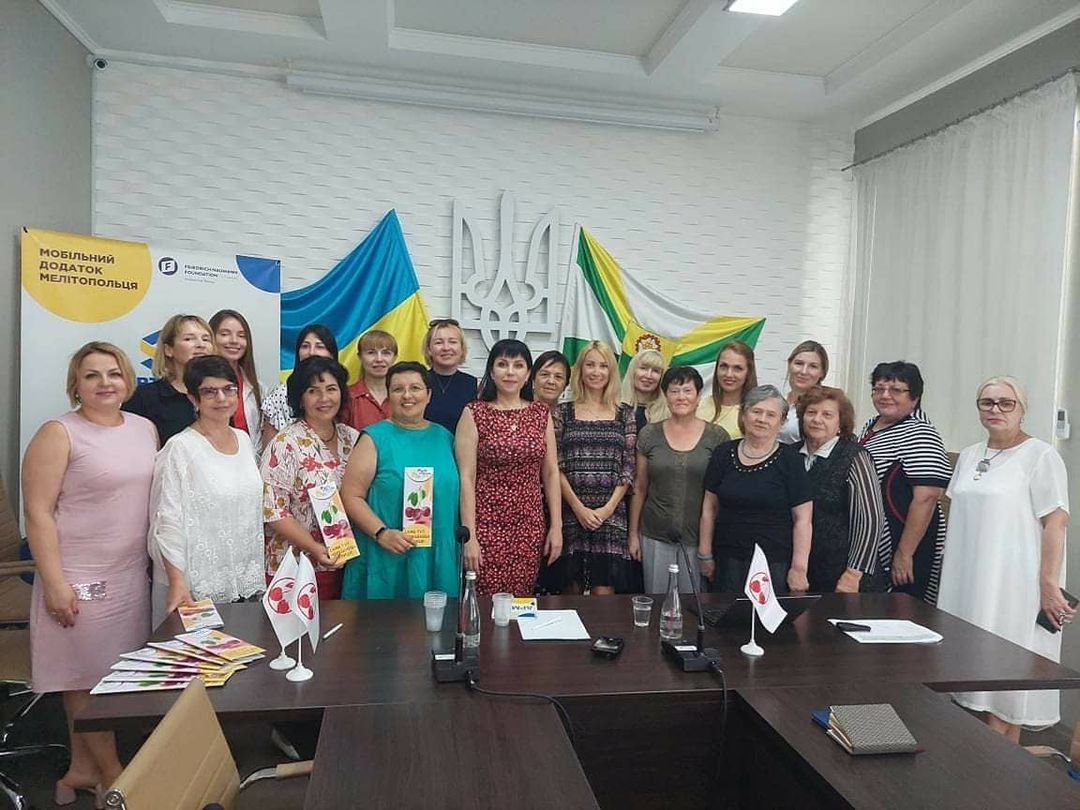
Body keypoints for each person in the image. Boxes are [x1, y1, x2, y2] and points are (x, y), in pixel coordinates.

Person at [22, 342, 158, 801]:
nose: (105, 383)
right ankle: (117, 779)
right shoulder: (58, 433)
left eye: (113, 373)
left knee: (110, 678)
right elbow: (38, 513)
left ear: (128, 380)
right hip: (76, 578)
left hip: (129, 578)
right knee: (83, 679)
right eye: (92, 375)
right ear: (75, 385)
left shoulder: (143, 428)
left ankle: (81, 770)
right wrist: (54, 583)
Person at [938, 377, 1071, 741]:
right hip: (968, 584)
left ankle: (999, 769)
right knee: (968, 684)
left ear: (1022, 409)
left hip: (1013, 587)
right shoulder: (969, 455)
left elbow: (1056, 523)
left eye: (1005, 403)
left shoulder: (1041, 456)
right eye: (987, 402)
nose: (995, 409)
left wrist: (1049, 585)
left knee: (1003, 691)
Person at [148, 355, 264, 626]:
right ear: (193, 398)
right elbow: (167, 521)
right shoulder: (180, 448)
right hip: (196, 586)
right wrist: (177, 581)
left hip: (244, 581)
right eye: (210, 392)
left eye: (228, 389)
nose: (221, 398)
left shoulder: (244, 440)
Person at [341, 362, 460, 599]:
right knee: (385, 621)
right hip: (387, 553)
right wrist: (381, 533)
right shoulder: (374, 438)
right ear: (389, 396)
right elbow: (351, 495)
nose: (407, 395)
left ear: (428, 395)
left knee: (437, 620)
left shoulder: (446, 437)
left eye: (415, 388)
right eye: (398, 389)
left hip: (437, 556)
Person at [456, 339, 562, 596]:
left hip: (529, 524)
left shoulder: (540, 413)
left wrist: (556, 527)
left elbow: (550, 473)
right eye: (502, 364)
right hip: (485, 523)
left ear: (528, 375)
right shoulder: (474, 413)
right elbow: (466, 477)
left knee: (520, 601)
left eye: (518, 365)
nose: (510, 372)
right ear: (492, 372)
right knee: (483, 600)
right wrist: (470, 537)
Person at [261, 356, 359, 600]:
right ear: (300, 398)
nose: (324, 398)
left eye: (331, 389)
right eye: (313, 391)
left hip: (347, 564)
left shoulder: (354, 438)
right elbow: (273, 510)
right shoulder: (285, 444)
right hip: (295, 567)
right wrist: (314, 547)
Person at [699, 385, 812, 594]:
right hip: (726, 559)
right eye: (756, 411)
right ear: (744, 415)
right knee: (725, 613)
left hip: (773, 563)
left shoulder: (792, 460)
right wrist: (705, 553)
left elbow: (803, 519)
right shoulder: (723, 453)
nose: (762, 419)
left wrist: (799, 568)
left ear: (782, 422)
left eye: (771, 415)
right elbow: (709, 507)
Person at [857, 361, 951, 604]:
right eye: (879, 389)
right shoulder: (872, 425)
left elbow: (927, 497)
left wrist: (904, 553)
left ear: (915, 397)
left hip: (906, 542)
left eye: (896, 390)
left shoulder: (920, 433)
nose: (885, 395)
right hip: (873, 542)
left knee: (902, 611)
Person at [629, 366, 728, 593]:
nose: (680, 397)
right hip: (654, 534)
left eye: (687, 391)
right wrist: (633, 534)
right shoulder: (649, 434)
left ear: (699, 395)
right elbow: (640, 487)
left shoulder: (717, 436)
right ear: (665, 396)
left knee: (694, 605)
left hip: (698, 539)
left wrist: (709, 547)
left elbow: (718, 495)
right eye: (674, 391)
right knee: (657, 602)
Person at [555, 341, 637, 595]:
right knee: (571, 593)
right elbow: (555, 466)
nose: (596, 371)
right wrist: (578, 508)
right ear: (580, 369)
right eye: (590, 365)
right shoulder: (562, 412)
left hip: (611, 516)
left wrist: (607, 510)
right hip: (572, 514)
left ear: (611, 372)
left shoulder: (625, 414)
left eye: (603, 366)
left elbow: (628, 466)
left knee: (604, 598)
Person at [794, 386, 883, 593]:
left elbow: (870, 519)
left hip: (844, 576)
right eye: (811, 412)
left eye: (827, 415)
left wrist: (854, 573)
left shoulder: (855, 456)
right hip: (800, 573)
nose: (817, 419)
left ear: (840, 424)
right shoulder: (791, 455)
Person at [123, 313, 214, 445]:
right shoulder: (144, 397)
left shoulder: (223, 394)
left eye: (206, 339)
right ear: (168, 350)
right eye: (189, 339)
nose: (201, 345)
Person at [528, 349, 572, 594]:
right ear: (532, 377)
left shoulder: (571, 417)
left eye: (558, 376)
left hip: (564, 508)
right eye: (545, 374)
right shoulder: (520, 411)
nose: (551, 381)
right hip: (524, 507)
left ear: (566, 384)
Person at [261, 324, 339, 445]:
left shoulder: (340, 392)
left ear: (332, 354)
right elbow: (269, 449)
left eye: (319, 346)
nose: (311, 352)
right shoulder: (280, 395)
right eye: (305, 346)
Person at [209, 309, 264, 449]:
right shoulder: (200, 384)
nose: (234, 341)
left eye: (241, 336)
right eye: (225, 334)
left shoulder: (257, 387)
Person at [423, 318, 476, 433]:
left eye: (452, 342)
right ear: (429, 350)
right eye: (439, 342)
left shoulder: (472, 384)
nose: (446, 348)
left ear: (462, 348)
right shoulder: (419, 382)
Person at [698, 340, 757, 440]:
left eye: (737, 368)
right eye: (724, 366)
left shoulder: (756, 414)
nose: (729, 374)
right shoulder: (699, 406)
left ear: (748, 372)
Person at [344, 329, 396, 431]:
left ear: (394, 357)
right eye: (371, 353)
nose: (379, 359)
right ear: (360, 357)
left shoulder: (404, 396)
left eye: (386, 353)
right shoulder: (347, 397)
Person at [779, 340, 828, 444]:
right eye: (799, 364)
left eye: (813, 366)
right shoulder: (778, 401)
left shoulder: (824, 407)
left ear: (822, 373)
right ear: (789, 364)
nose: (804, 371)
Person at [620, 349, 667, 433]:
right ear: (632, 371)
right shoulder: (615, 406)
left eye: (655, 371)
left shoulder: (668, 413)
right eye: (643, 368)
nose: (648, 376)